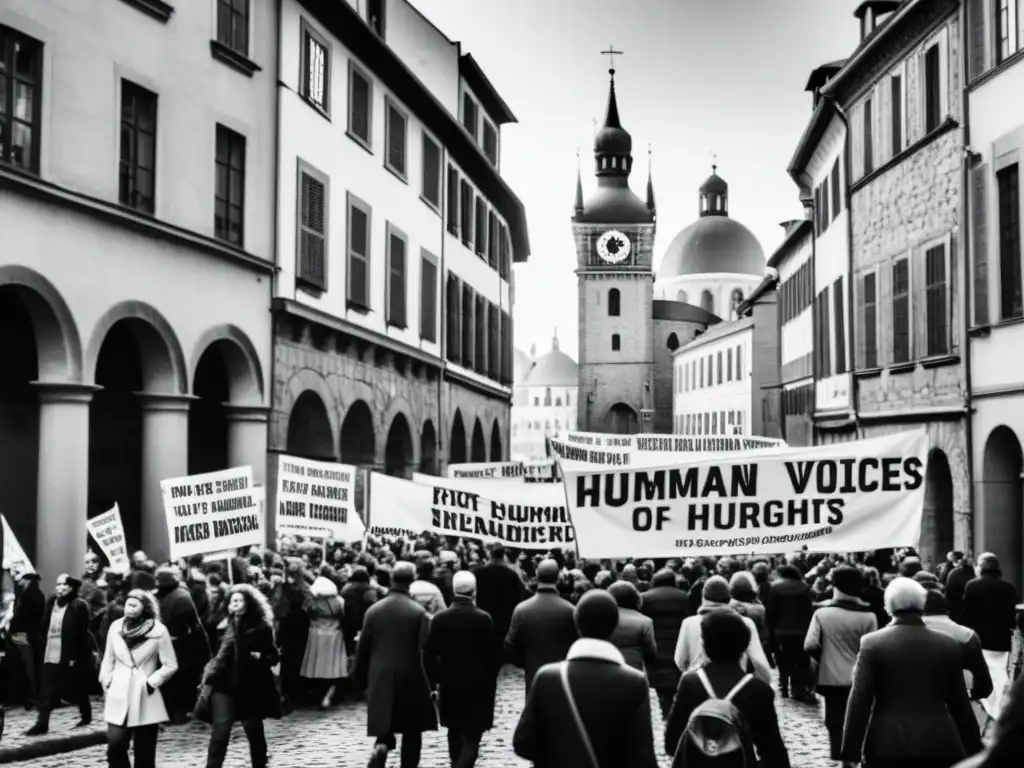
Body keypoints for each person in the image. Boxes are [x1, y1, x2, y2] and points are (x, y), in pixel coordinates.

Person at [841, 577, 983, 768]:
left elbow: (860, 698)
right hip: (939, 743)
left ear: (888, 606)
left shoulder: (872, 643)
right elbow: (959, 702)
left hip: (886, 743)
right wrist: (975, 748)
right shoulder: (947, 644)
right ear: (921, 605)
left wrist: (850, 751)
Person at [512, 589, 658, 768]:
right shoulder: (634, 682)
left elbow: (523, 743)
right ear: (614, 625)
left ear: (576, 621)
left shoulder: (548, 678)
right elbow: (643, 757)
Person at [664, 608, 790, 768]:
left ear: (705, 643)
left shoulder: (691, 682)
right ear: (744, 645)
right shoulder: (758, 689)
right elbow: (773, 751)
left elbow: (671, 742)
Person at [353, 561, 437, 768]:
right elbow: (427, 650)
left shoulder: (373, 611)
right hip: (411, 675)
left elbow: (362, 650)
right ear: (413, 580)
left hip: (380, 674)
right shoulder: (418, 612)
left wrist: (360, 681)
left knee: (385, 723)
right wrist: (433, 683)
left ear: (391, 579)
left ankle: (381, 747)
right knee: (412, 731)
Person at [423, 571, 500, 768]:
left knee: (454, 731)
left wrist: (434, 683)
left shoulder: (440, 619)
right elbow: (493, 657)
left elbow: (430, 654)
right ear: (474, 591)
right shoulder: (484, 619)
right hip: (478, 684)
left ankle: (456, 763)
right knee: (473, 735)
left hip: (450, 682)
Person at [200, 583, 282, 768]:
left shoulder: (260, 626)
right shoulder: (219, 625)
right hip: (223, 682)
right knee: (221, 729)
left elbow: (272, 655)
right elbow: (212, 652)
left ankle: (259, 763)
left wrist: (259, 656)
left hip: (250, 683)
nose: (235, 604)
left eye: (239, 600)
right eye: (232, 600)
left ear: (249, 603)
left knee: (253, 729)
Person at [803, 565, 877, 763]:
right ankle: (854, 756)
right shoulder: (869, 616)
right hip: (860, 677)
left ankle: (840, 755)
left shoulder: (822, 613)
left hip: (831, 676)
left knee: (834, 720)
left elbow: (810, 645)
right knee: (860, 717)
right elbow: (872, 649)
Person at [100, 589, 178, 768]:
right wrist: (106, 680)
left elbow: (170, 664)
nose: (130, 608)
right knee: (115, 744)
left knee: (144, 750)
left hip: (145, 695)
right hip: (119, 692)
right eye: (128, 604)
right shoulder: (116, 627)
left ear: (145, 608)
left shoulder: (159, 631)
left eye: (135, 605)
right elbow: (108, 659)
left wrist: (152, 682)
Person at [26, 573, 96, 735]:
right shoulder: (51, 602)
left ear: (71, 587)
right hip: (51, 649)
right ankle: (42, 723)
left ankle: (86, 714)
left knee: (75, 686)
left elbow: (81, 634)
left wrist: (75, 656)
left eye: (63, 585)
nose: (60, 588)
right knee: (47, 687)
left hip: (69, 651)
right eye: (58, 584)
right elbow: (44, 626)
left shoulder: (79, 605)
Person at [674, 575, 772, 684]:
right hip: (735, 685)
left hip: (700, 685)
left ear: (703, 596)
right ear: (729, 597)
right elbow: (759, 661)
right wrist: (764, 684)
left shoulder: (689, 623)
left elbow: (680, 661)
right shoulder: (745, 622)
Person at [504, 558, 578, 697]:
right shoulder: (570, 610)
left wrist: (527, 662)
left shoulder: (522, 610)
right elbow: (578, 644)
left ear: (537, 576)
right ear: (558, 578)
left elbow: (510, 646)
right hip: (562, 679)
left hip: (534, 677)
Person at [961, 553, 1019, 723]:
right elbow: (1011, 617)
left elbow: (966, 614)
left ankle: (992, 708)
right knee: (999, 673)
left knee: (984, 672)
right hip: (1001, 640)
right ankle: (997, 707)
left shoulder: (972, 586)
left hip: (980, 638)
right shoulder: (1009, 588)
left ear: (980, 567)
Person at [155, 566, 210, 724]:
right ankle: (179, 713)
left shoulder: (153, 598)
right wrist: (205, 649)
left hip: (160, 645)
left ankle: (167, 713)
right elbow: (195, 626)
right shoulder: (182, 597)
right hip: (181, 646)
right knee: (181, 682)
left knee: (166, 681)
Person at [639, 568, 689, 719]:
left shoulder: (645, 598)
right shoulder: (684, 597)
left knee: (656, 685)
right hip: (676, 646)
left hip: (655, 648)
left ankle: (661, 716)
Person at [766, 563, 814, 700]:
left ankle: (783, 685)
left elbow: (772, 611)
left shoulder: (775, 587)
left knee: (783, 659)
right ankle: (797, 688)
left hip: (781, 630)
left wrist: (771, 628)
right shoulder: (804, 587)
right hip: (801, 631)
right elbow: (809, 611)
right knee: (800, 659)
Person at [300, 575, 348, 710]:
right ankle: (330, 695)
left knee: (316, 663)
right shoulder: (339, 601)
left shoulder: (311, 602)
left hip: (316, 634)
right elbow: (343, 616)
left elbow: (306, 614)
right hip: (334, 634)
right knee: (334, 665)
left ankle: (318, 694)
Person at [474, 545, 526, 662]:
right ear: (503, 555)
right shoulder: (511, 574)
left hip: (484, 611)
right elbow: (520, 594)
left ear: (489, 554)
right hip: (505, 614)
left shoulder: (479, 572)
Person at [8, 570, 45, 709]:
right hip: (28, 635)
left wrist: (12, 629)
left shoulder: (28, 594)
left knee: (26, 665)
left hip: (22, 635)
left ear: (26, 579)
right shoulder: (36, 594)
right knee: (29, 665)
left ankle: (30, 695)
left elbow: (22, 616)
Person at [606, 580, 657, 673]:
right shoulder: (644, 621)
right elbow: (651, 653)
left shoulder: (602, 618)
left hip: (607, 668)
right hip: (633, 671)